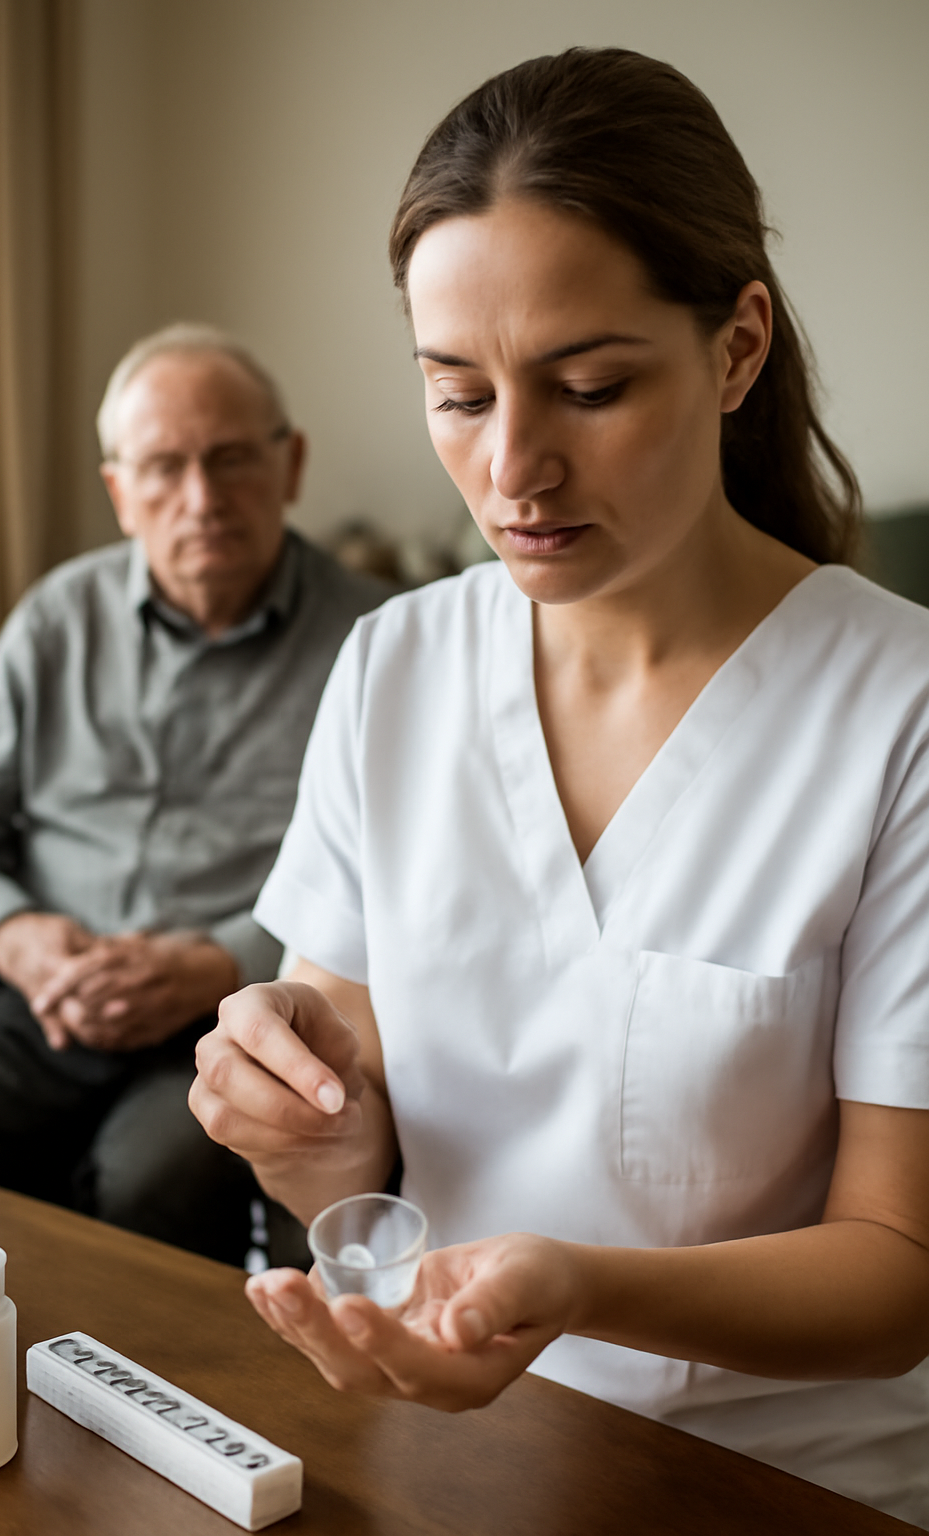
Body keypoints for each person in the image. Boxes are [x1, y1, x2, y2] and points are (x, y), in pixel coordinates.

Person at [188, 49, 929, 1525]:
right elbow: (354, 1178)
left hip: (784, 1480)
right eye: (457, 397)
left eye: (589, 387)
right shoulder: (395, 669)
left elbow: (898, 1276)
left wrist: (574, 1287)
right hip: (448, 1450)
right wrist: (312, 1134)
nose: (513, 468)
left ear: (736, 348)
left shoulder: (898, 710)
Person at [0, 323, 388, 1264]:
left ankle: (120, 1406)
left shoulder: (377, 642)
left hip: (240, 1016)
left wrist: (219, 964)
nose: (201, 500)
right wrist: (16, 936)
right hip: (47, 998)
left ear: (291, 466)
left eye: (232, 460)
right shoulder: (58, 618)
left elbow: (403, 881)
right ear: (120, 492)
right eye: (163, 468)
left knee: (151, 1182)